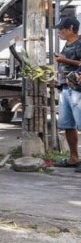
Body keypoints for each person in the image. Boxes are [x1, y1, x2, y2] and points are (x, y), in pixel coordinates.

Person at [53, 16, 81, 171]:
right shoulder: (67, 45)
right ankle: (74, 157)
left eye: (61, 28)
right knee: (67, 124)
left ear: (70, 28)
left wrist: (65, 61)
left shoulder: (80, 43)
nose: (59, 31)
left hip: (78, 90)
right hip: (65, 88)